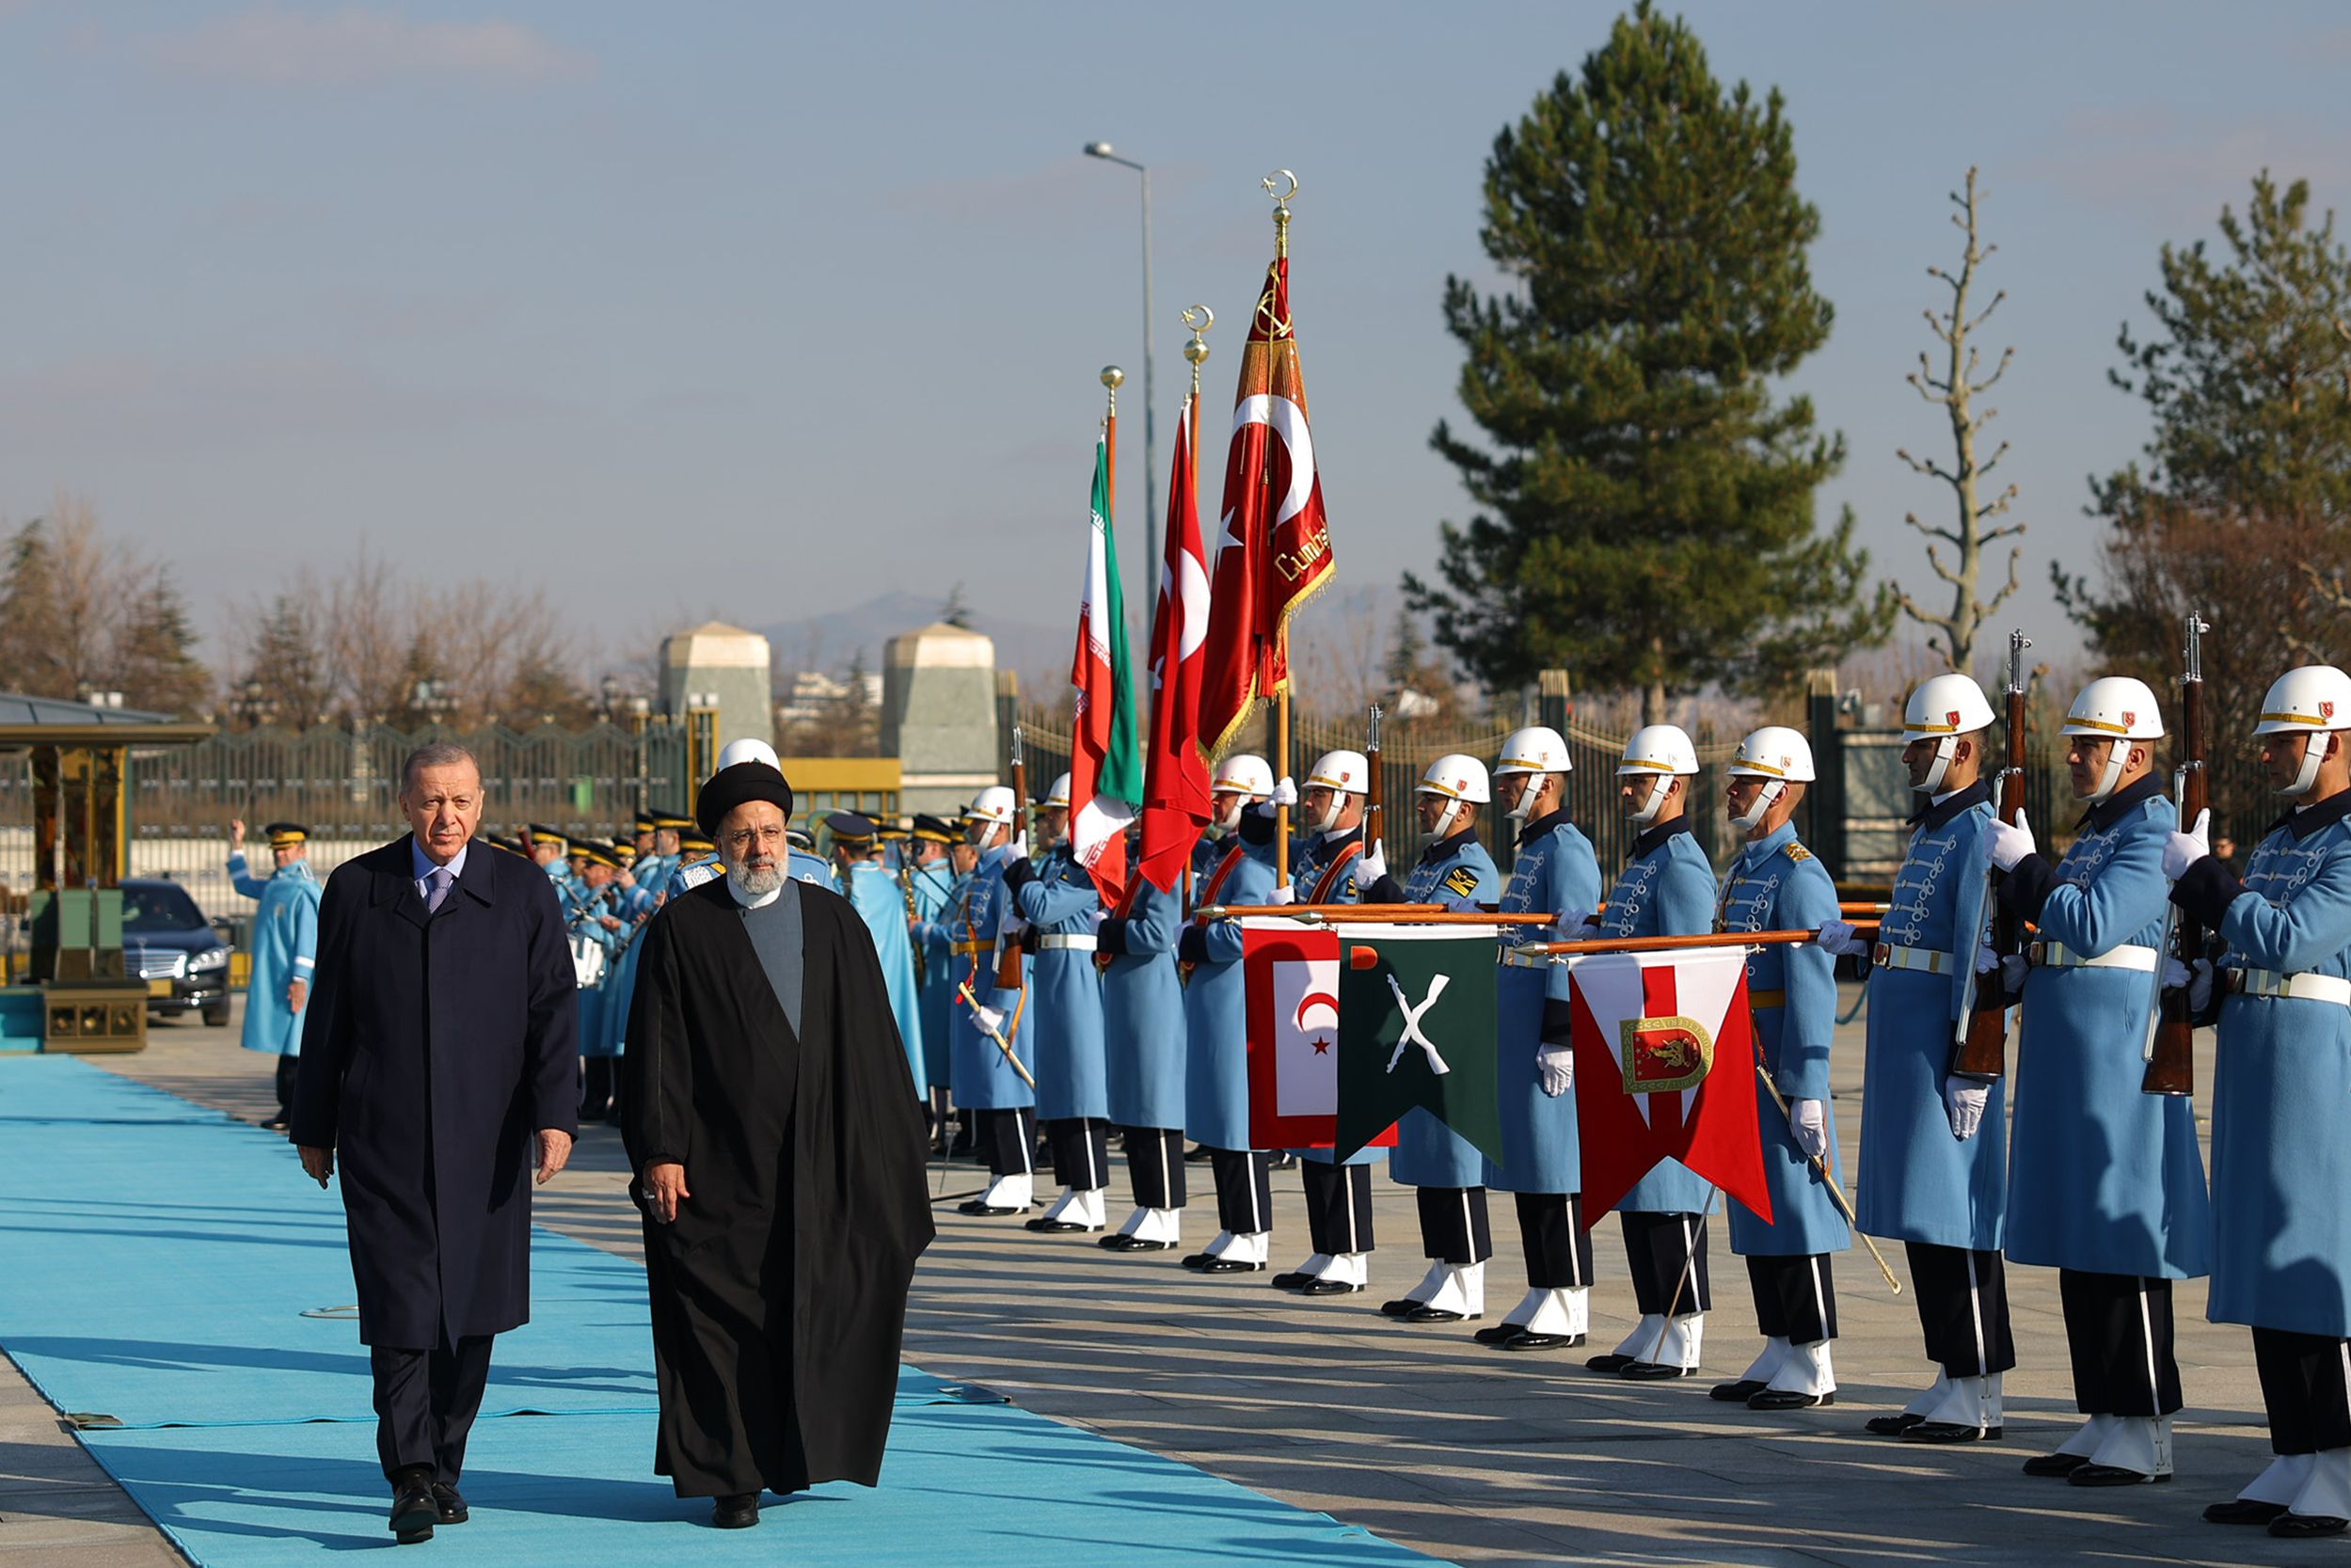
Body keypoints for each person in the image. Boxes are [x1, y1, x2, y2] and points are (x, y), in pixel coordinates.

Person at [622, 754, 932, 1529]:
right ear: (718, 845)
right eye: (742, 835)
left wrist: (895, 1150)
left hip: (822, 1160)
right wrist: (660, 1149)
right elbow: (657, 1051)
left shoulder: (834, 921)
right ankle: (732, 1475)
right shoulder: (681, 928)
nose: (759, 848)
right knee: (721, 1321)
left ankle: (798, 1453)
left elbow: (875, 1048)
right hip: (720, 1166)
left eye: (770, 832)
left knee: (825, 1303)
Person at [290, 743, 578, 1544]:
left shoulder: (522, 888)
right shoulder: (358, 887)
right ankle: (410, 1472)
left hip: (489, 1139)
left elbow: (553, 1009)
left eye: (459, 800)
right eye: (429, 801)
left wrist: (555, 1113)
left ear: (481, 803)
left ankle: (446, 1462)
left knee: (472, 1312)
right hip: (383, 1136)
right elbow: (329, 1013)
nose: (445, 816)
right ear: (404, 804)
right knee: (399, 1306)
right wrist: (313, 1122)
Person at [1983, 678, 2210, 1485]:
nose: (2073, 756)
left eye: (2089, 744)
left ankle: (2144, 1423)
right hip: (2072, 1062)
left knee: (2122, 1239)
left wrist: (2026, 868)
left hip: (2119, 1061)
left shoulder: (2150, 830)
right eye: (2073, 743)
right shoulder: (2098, 832)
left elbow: (2089, 922)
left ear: (2135, 753)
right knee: (2081, 1238)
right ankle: (2105, 1411)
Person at [2165, 664, 2351, 1536]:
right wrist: (2206, 981)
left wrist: (2208, 881)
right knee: (2261, 1256)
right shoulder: (2279, 839)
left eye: (2283, 738)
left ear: (2333, 738)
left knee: (2310, 1255)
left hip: (2316, 1067)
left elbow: (2292, 937)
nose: (2268, 753)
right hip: (2257, 1060)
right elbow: (2248, 950)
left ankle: (2340, 1460)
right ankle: (2296, 1447)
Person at [1819, 672, 2013, 1444]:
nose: (1906, 758)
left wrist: (1974, 1061)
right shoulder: (1934, 829)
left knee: (1955, 1217)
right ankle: (1950, 1372)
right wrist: (1865, 941)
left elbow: (1980, 952)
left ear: (1960, 748)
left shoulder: (1977, 832)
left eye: (1919, 746)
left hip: (1943, 1047)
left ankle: (1977, 1382)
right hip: (1908, 1046)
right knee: (1925, 1218)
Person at [1713, 728, 1848, 1412]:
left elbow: (1812, 987)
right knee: (1754, 1203)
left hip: (1779, 1066)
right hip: (1741, 1058)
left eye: (1746, 781)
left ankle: (1813, 1353)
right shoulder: (1743, 869)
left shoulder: (1799, 874)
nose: (1732, 791)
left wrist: (1808, 1086)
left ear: (1783, 790)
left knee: (1795, 1209)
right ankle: (1778, 1340)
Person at [1581, 725, 1720, 1381]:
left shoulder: (1681, 864)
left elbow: (1687, 972)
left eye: (1638, 780)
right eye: (1627, 780)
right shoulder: (1644, 858)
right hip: (1628, 1038)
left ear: (1672, 783)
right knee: (1637, 1183)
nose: (1627, 791)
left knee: (1669, 1187)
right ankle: (1651, 1315)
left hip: (1665, 1046)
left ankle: (1682, 1325)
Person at [1362, 755, 1501, 1323]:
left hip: (1450, 1020)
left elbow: (1430, 922)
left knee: (1454, 1153)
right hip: (1418, 1019)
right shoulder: (1431, 863)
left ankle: (1467, 1276)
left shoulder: (1470, 867)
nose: (1421, 807)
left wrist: (1384, 889)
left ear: (1463, 808)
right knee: (1426, 1151)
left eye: (1433, 799)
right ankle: (1442, 1265)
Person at [1481, 726, 1605, 1353]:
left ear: (1547, 783)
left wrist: (1561, 1030)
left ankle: (1569, 1295)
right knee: (1528, 1159)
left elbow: (1571, 946)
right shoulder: (1534, 848)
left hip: (1544, 1025)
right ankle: (1541, 1287)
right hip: (1517, 1017)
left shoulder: (1567, 849)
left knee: (1555, 1162)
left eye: (1513, 778)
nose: (1503, 788)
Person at [1272, 750, 1383, 1298]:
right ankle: (1326, 1244)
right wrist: (1265, 815)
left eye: (1319, 794)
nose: (1309, 803)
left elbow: (1352, 933)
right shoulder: (1314, 852)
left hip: (1341, 1002)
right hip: (1308, 999)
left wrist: (1298, 916)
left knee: (1343, 1136)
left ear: (1347, 800)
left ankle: (1351, 1253)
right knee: (1311, 1131)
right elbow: (1254, 845)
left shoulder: (1361, 858)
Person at [1179, 756, 1279, 1274]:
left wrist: (1196, 940)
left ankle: (1252, 1232)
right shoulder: (1229, 857)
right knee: (1219, 1118)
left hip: (1237, 1000)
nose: (1215, 803)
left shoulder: (1256, 865)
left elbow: (1245, 932)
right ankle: (1232, 1225)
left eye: (1226, 795)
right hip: (1213, 1001)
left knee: (1238, 1120)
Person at [1007, 775, 1113, 1235]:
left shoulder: (1090, 863)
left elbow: (1046, 907)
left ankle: (1091, 1195)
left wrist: (1019, 871)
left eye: (1054, 813)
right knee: (1057, 1083)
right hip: (1053, 968)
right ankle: (1072, 1188)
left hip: (1077, 972)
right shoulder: (1059, 860)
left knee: (1080, 1083)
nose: (1048, 821)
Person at [1095, 823, 1189, 1254]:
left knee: (1155, 1107)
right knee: (1134, 1104)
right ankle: (1146, 1203)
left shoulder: (1165, 866)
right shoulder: (1141, 865)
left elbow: (1158, 932)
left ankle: (1164, 1211)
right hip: (1131, 999)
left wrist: (1110, 932)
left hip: (1154, 998)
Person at [954, 785, 1040, 1214]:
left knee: (1007, 1087)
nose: (972, 828)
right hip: (977, 984)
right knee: (989, 1089)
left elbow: (1014, 941)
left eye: (980, 822)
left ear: (1000, 825)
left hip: (998, 989)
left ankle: (1017, 1179)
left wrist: (1002, 1000)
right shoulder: (985, 870)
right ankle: (999, 1174)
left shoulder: (1007, 870)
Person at [825, 811, 929, 1098]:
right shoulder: (889, 885)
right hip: (894, 987)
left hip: (863, 993)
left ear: (842, 851)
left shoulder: (847, 889)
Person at [228, 818, 322, 1132]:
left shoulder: (303, 888)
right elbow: (243, 884)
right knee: (287, 1045)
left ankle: (295, 1111)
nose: (279, 855)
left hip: (293, 981)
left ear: (301, 850)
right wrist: (237, 845)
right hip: (277, 979)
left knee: (296, 1046)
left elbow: (309, 937)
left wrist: (300, 979)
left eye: (286, 849)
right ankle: (288, 1108)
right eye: (276, 850)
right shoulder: (276, 883)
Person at [906, 815, 968, 1150]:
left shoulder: (927, 881)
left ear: (932, 848)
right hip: (942, 973)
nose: (913, 853)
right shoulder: (948, 879)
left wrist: (919, 930)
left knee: (937, 1054)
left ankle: (938, 1125)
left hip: (938, 974)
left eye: (918, 847)